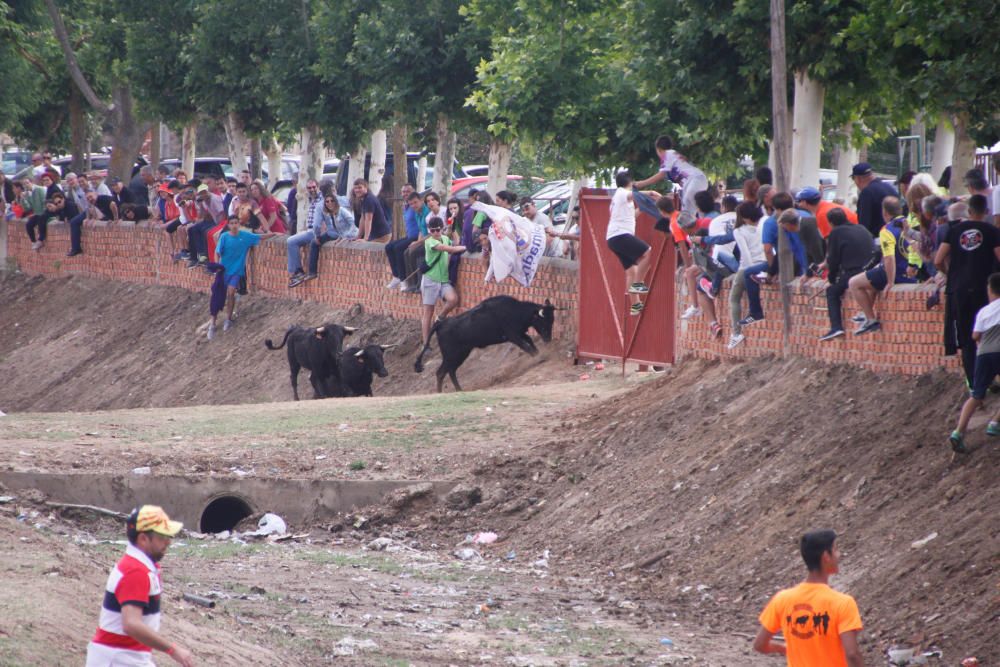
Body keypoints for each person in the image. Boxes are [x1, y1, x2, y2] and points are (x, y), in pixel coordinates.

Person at [85, 505, 195, 667]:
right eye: (162, 537)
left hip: (126, 656)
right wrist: (173, 649)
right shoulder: (135, 572)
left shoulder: (142, 566)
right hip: (118, 658)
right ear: (143, 539)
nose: (168, 542)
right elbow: (131, 624)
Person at [754, 529, 864, 667]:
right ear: (826, 556)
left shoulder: (782, 599)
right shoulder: (843, 603)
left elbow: (759, 644)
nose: (839, 555)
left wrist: (783, 648)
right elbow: (852, 654)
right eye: (835, 549)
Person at [935, 194, 1000, 388]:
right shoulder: (991, 230)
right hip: (985, 289)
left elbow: (938, 260)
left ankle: (974, 384)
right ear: (986, 212)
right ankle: (991, 379)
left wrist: (951, 275)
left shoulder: (954, 231)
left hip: (959, 290)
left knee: (966, 338)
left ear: (969, 212)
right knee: (988, 334)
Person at [848, 196, 916, 335]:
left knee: (854, 283)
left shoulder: (887, 230)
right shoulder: (910, 223)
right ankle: (865, 312)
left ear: (884, 213)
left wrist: (890, 282)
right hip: (910, 271)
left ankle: (871, 319)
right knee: (871, 279)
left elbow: (889, 258)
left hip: (894, 272)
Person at [948, 272, 1000, 453]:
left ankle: (958, 432)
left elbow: (975, 336)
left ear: (990, 290)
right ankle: (994, 423)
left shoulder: (983, 312)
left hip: (984, 354)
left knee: (976, 395)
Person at [211, 216, 278, 336]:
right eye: (232, 223)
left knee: (231, 293)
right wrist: (217, 266)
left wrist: (273, 234)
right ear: (228, 225)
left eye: (236, 223)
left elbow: (260, 237)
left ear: (239, 224)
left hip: (236, 272)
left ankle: (228, 319)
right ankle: (213, 323)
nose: (234, 225)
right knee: (217, 297)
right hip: (223, 272)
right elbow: (217, 252)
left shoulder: (245, 236)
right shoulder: (224, 237)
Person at [819, 208, 874, 340]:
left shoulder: (836, 233)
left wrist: (832, 278)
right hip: (870, 269)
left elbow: (833, 259)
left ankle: (836, 327)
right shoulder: (861, 228)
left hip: (854, 272)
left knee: (832, 292)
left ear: (831, 223)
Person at [606, 171, 651, 315]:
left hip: (614, 238)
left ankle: (635, 306)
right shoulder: (621, 193)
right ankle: (638, 285)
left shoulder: (619, 199)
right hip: (620, 235)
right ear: (629, 183)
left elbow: (631, 217)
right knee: (648, 253)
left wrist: (643, 208)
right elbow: (634, 195)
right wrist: (651, 193)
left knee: (631, 271)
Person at [724, 201, 766, 349]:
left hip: (747, 267)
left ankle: (736, 333)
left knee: (734, 298)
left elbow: (745, 253)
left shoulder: (739, 231)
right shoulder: (763, 226)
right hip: (764, 263)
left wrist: (750, 270)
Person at [634, 135, 709, 215]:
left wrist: (641, 183)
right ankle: (700, 224)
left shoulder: (667, 154)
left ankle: (707, 218)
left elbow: (661, 175)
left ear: (658, 149)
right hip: (693, 182)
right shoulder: (673, 156)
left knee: (692, 197)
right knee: (687, 214)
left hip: (695, 179)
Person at [420, 216, 466, 345]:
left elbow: (455, 243)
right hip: (430, 280)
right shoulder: (430, 242)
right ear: (429, 230)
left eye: (438, 230)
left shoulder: (445, 238)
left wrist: (454, 231)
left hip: (443, 280)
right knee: (428, 311)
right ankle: (426, 342)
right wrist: (464, 248)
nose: (435, 232)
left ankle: (440, 318)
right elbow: (450, 249)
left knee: (453, 299)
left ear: (442, 229)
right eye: (433, 230)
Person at [386, 191, 427, 289]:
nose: (413, 205)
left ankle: (404, 279)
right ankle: (397, 276)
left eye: (415, 202)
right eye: (411, 203)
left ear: (421, 201)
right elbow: (422, 230)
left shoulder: (426, 212)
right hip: (416, 237)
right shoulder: (417, 213)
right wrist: (418, 241)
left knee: (399, 248)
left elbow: (427, 232)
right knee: (389, 247)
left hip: (423, 238)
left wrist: (418, 242)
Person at [851, 162, 898, 236]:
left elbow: (864, 224)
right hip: (896, 236)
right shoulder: (890, 188)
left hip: (878, 240)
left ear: (858, 179)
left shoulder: (867, 193)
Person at [351, 178, 391, 243]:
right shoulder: (363, 199)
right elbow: (362, 219)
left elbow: (368, 220)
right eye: (355, 188)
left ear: (366, 187)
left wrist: (366, 239)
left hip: (382, 235)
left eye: (360, 187)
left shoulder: (369, 200)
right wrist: (358, 236)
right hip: (376, 235)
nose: (357, 190)